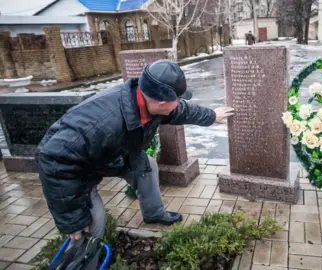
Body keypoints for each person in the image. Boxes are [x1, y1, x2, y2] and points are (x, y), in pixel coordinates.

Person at [35, 60, 234, 268]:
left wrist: (212, 116)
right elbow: (52, 158)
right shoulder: (102, 122)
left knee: (147, 167)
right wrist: (72, 220)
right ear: (161, 103)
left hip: (115, 155)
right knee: (93, 223)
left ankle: (154, 213)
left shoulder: (150, 102)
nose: (180, 102)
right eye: (177, 98)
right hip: (78, 169)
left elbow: (181, 111)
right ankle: (82, 264)